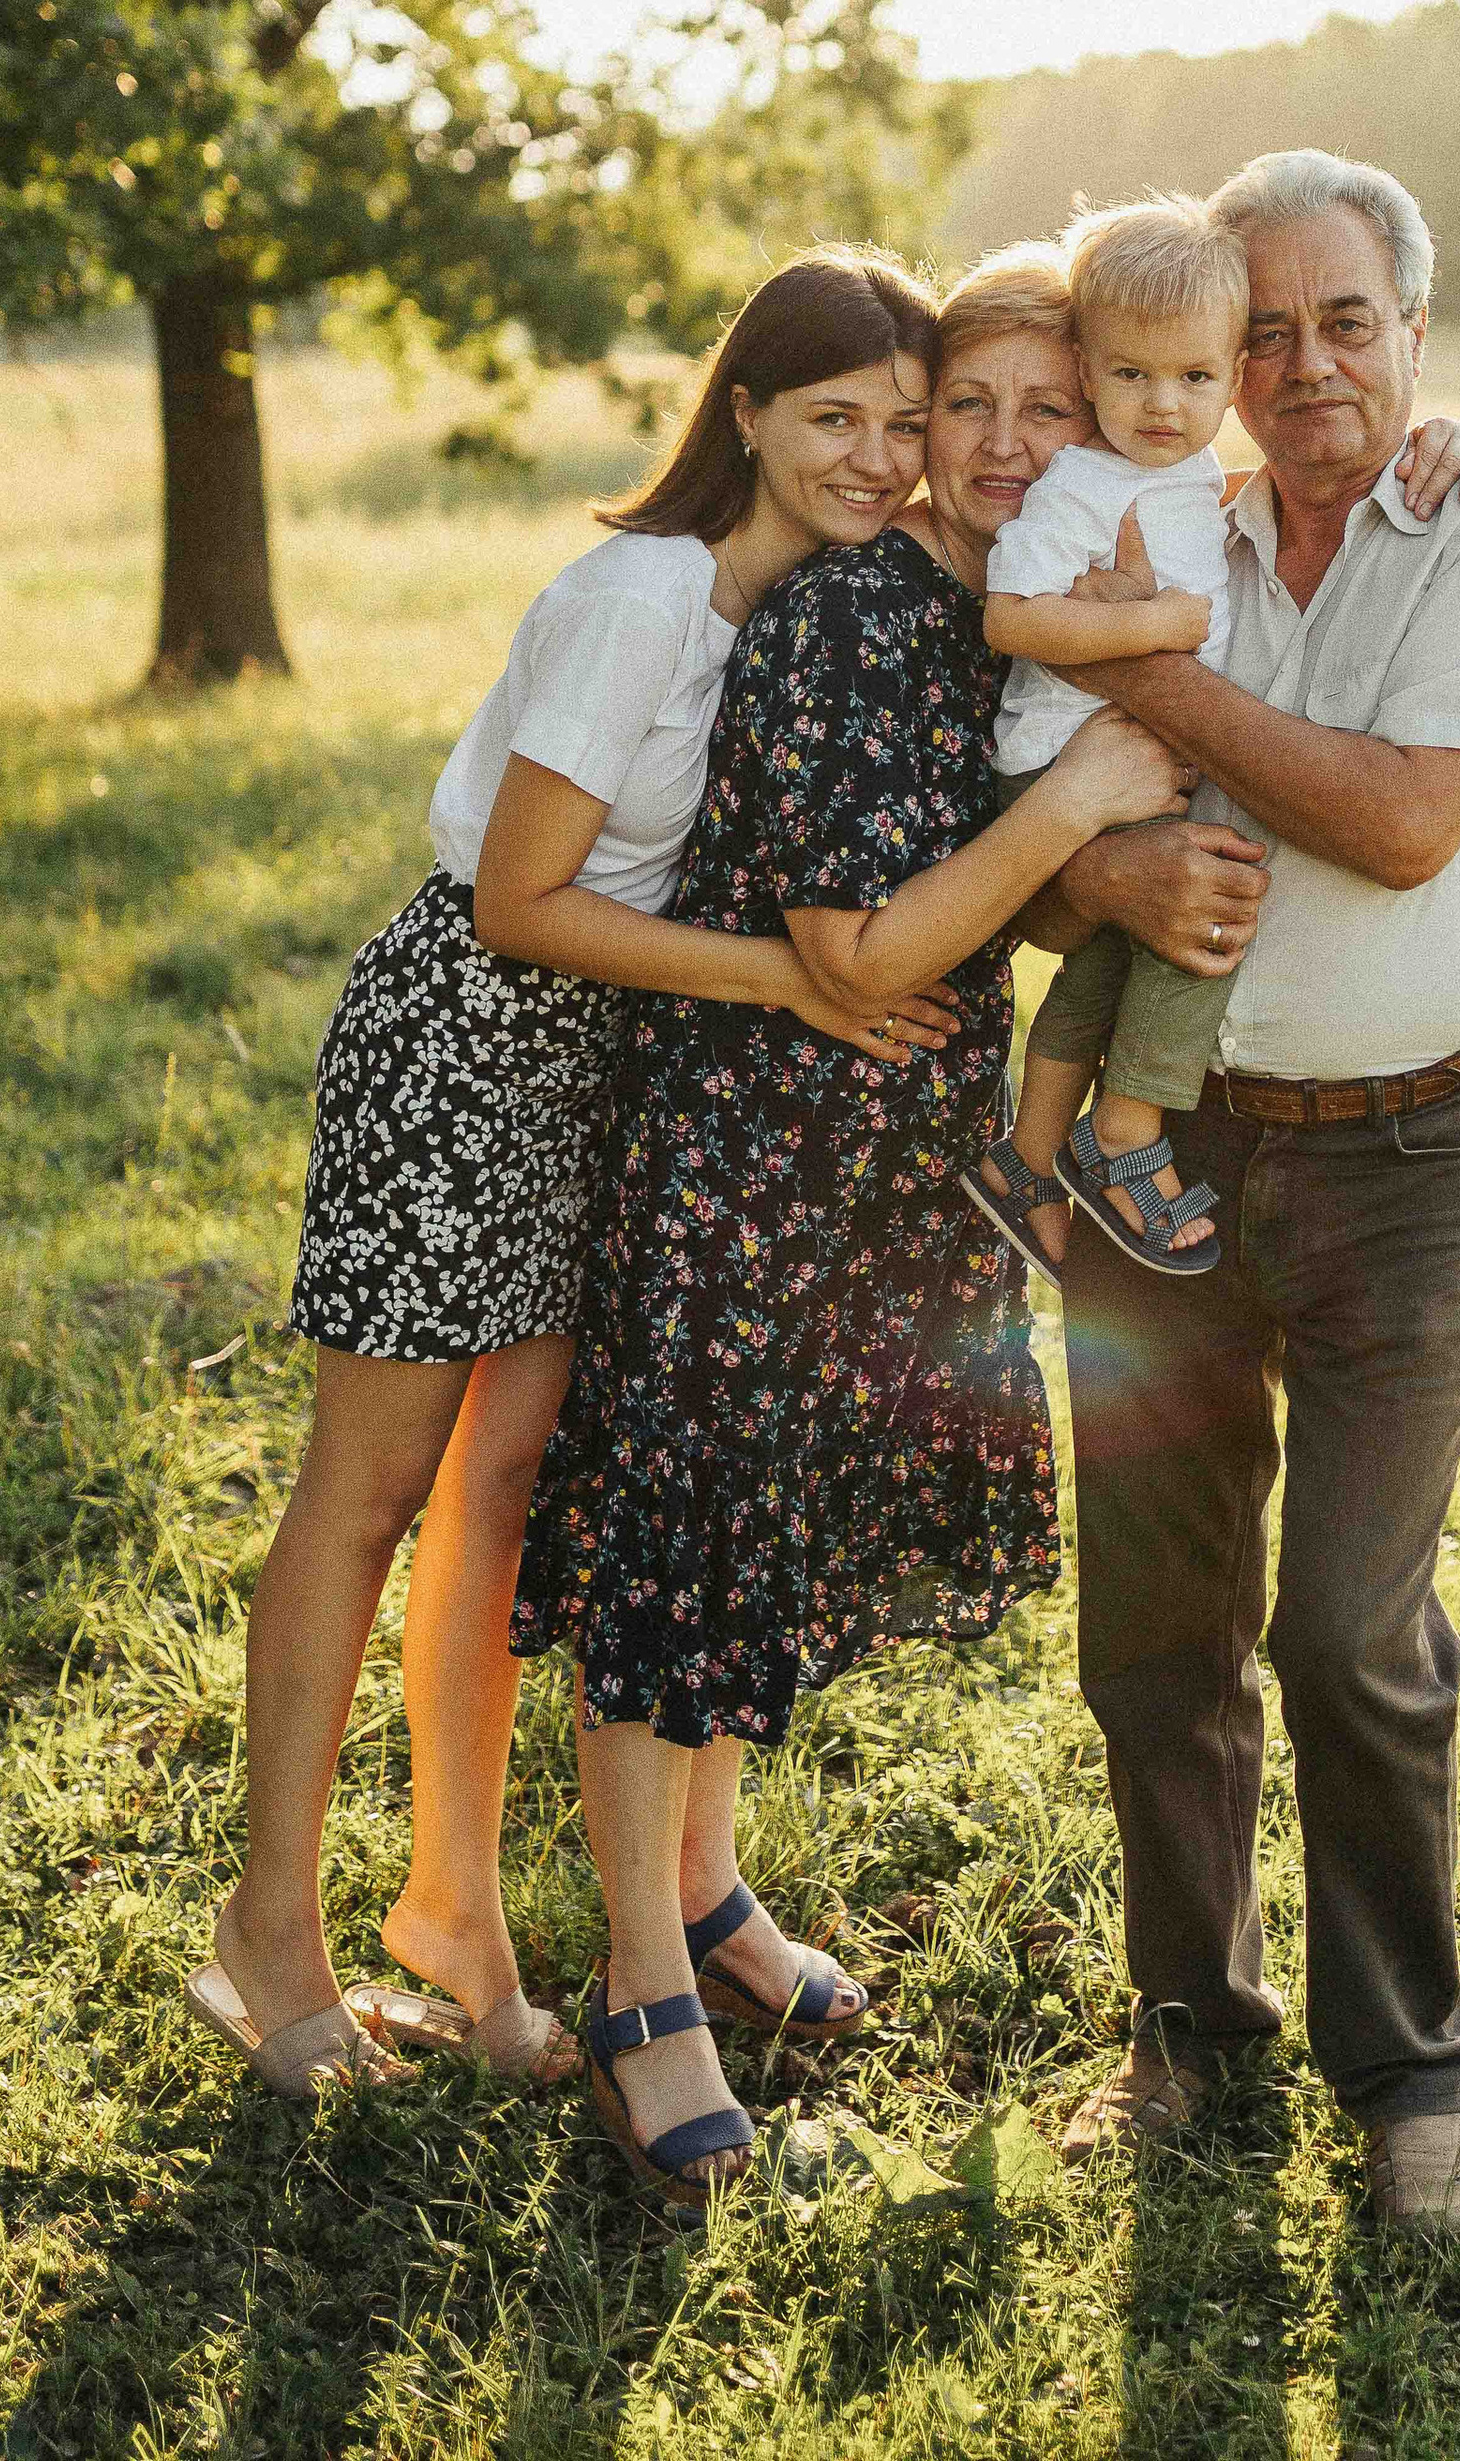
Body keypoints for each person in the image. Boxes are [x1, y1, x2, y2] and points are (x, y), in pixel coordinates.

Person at [184, 254, 955, 2102]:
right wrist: (804, 979)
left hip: (596, 1064)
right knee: (366, 1496)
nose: (876, 456)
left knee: (506, 1498)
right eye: (834, 415)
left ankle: (455, 1918)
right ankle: (263, 1932)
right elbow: (526, 900)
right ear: (745, 412)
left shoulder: (792, 608)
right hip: (465, 1039)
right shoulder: (642, 599)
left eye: (905, 425)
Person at [507, 256, 1192, 2211]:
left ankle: (712, 1890)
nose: (967, 451)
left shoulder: (1006, 601)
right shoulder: (836, 620)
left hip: (890, 1148)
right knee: (679, 1546)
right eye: (939, 407)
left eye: (1016, 413)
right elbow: (863, 948)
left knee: (771, 1534)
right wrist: (1074, 805)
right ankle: (645, 1986)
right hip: (746, 1144)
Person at [1042, 149, 1460, 2234]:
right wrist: (1091, 864)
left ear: (1413, 334)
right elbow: (1026, 830)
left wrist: (1135, 671)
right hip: (1160, 1147)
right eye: (1253, 328)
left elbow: (1385, 826)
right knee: (1152, 1623)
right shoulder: (1148, 515)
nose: (1296, 364)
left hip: (1406, 1154)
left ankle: (1414, 2077)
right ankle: (1188, 2029)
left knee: (1351, 1626)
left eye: (1340, 320)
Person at [964, 193, 1251, 1284]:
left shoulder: (1177, 473)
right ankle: (1124, 1131)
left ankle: (1028, 1154)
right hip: (1061, 756)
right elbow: (1013, 616)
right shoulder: (1081, 485)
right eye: (1130, 375)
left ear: (1233, 377)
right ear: (1085, 369)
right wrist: (1156, 630)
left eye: (1194, 378)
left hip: (1119, 758)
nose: (1163, 404)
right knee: (1208, 915)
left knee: (1114, 947)